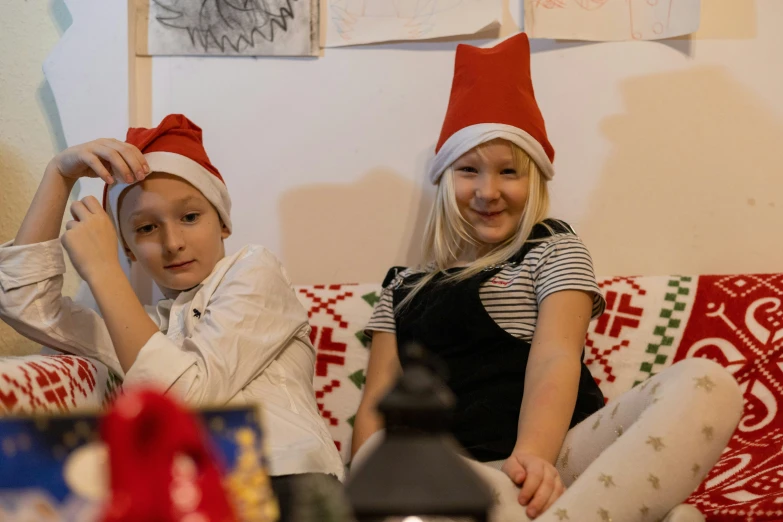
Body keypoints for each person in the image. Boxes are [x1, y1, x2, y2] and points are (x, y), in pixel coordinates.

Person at [351, 33, 743, 522]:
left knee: (708, 382)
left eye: (509, 172)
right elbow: (377, 400)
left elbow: (556, 355)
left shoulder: (553, 249)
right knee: (383, 450)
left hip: (564, 460)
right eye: (469, 170)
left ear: (533, 178)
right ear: (444, 179)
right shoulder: (402, 288)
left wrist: (534, 457)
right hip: (461, 483)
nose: (487, 191)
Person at [0, 114, 345, 498]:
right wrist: (58, 176)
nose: (173, 242)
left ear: (223, 222)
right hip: (194, 496)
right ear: (128, 247)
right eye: (146, 228)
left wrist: (102, 268)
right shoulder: (139, 329)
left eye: (190, 217)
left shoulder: (255, 269)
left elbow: (185, 399)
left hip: (287, 481)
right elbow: (23, 303)